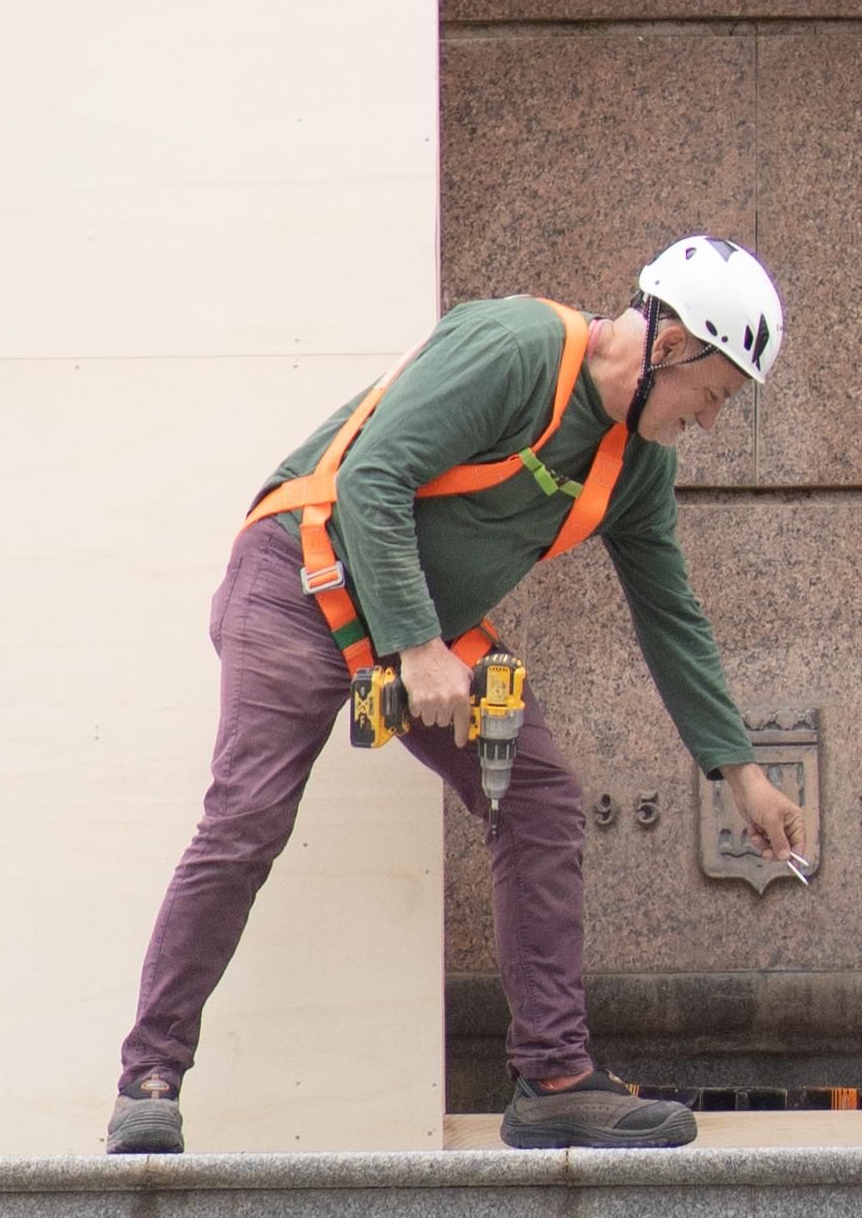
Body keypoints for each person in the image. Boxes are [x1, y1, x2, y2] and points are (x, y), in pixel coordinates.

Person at [112, 235, 803, 1155]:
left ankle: (554, 1079)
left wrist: (740, 772)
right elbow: (373, 475)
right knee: (247, 817)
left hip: (426, 627)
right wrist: (416, 644)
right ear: (670, 346)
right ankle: (149, 1078)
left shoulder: (636, 466)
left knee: (540, 797)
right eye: (713, 394)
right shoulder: (515, 348)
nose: (709, 420)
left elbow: (669, 614)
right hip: (300, 574)